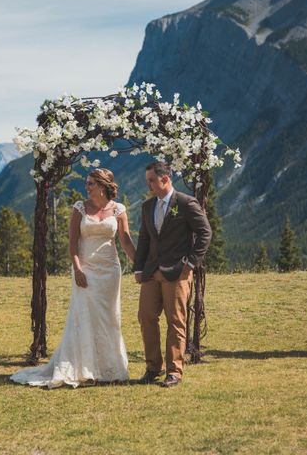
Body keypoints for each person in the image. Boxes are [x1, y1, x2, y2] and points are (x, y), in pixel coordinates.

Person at [11, 168, 136, 388]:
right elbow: (73, 243)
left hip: (110, 270)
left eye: (91, 184)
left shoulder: (118, 210)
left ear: (102, 185)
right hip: (85, 268)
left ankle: (111, 368)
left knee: (109, 317)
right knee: (84, 315)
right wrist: (77, 269)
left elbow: (125, 241)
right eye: (86, 183)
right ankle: (85, 368)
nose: (86, 187)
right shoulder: (80, 208)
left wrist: (140, 265)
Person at [133, 161, 212, 387]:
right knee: (145, 317)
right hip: (151, 272)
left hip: (178, 272)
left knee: (176, 321)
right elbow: (145, 239)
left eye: (151, 180)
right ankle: (152, 368)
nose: (148, 185)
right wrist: (139, 268)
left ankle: (174, 371)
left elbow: (205, 233)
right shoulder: (148, 207)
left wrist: (190, 263)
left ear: (165, 179)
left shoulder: (186, 203)